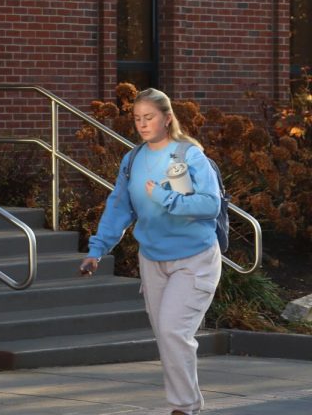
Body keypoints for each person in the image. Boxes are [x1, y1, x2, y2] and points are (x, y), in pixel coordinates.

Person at [79, 88, 222, 415]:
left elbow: (209, 205)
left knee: (173, 330)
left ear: (167, 118)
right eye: (137, 118)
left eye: (149, 117)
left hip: (194, 258)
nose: (142, 124)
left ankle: (184, 408)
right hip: (152, 260)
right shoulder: (133, 159)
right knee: (166, 336)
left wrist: (165, 197)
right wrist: (97, 250)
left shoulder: (187, 156)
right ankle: (187, 404)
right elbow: (119, 207)